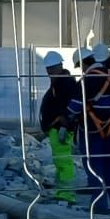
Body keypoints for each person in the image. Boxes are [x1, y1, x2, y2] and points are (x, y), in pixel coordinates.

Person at [79, 42, 110, 214]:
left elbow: (77, 105)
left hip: (93, 132)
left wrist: (68, 121)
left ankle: (100, 206)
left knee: (95, 167)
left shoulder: (88, 79)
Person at [36, 51, 80, 203]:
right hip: (57, 128)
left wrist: (63, 126)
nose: (49, 73)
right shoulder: (60, 81)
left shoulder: (64, 83)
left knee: (64, 162)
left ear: (57, 68)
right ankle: (62, 192)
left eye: (51, 69)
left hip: (60, 129)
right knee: (60, 161)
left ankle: (67, 194)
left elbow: (67, 108)